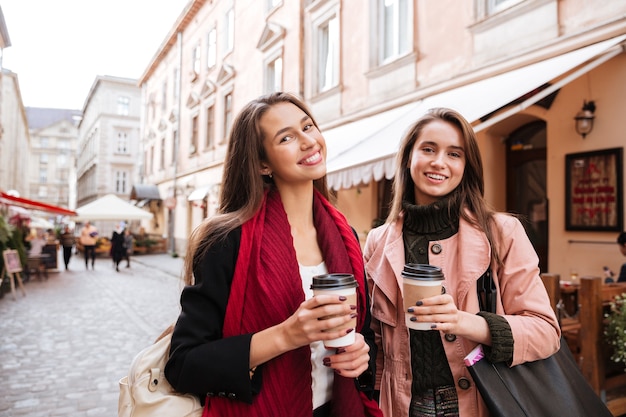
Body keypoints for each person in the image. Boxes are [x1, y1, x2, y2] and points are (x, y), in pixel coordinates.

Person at [164, 92, 382, 417]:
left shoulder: (345, 236)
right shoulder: (227, 240)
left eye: (308, 127)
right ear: (262, 163)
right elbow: (184, 364)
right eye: (287, 137)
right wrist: (286, 335)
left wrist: (361, 354)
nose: (308, 141)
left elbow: (362, 334)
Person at [363, 108, 560, 417]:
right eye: (428, 149)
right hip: (401, 405)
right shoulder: (378, 241)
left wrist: (465, 322)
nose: (439, 162)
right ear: (408, 158)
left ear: (466, 166)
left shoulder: (501, 232)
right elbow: (376, 340)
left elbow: (546, 332)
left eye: (454, 154)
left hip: (480, 402)